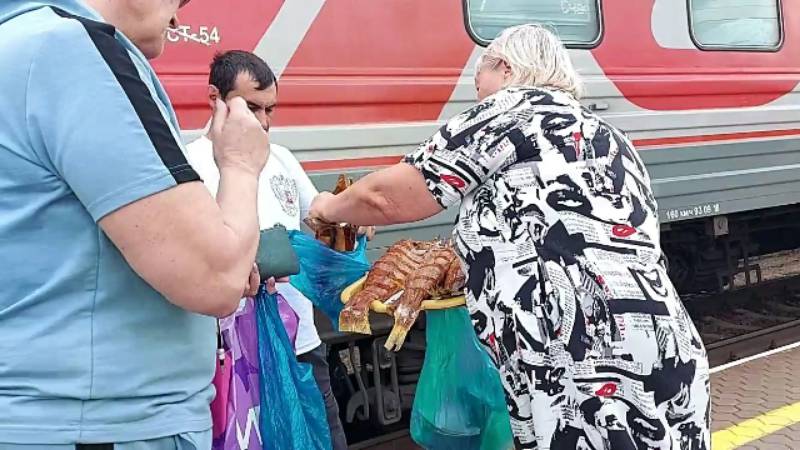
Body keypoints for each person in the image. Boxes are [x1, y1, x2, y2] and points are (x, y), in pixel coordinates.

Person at [308, 24, 711, 449]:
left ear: (504, 67)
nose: (477, 92)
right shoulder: (608, 136)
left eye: (478, 78)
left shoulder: (508, 111)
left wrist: (327, 207)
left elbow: (387, 197)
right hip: (666, 343)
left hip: (578, 355)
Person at [0, 0, 268, 448]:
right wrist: (241, 163)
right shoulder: (71, 49)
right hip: (100, 424)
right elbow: (215, 279)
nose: (179, 17)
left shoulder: (15, 41)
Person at [186, 50, 367, 450]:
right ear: (214, 98)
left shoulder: (280, 157)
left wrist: (352, 214)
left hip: (300, 338)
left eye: (270, 109)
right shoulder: (189, 164)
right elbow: (193, 257)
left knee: (323, 434)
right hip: (235, 351)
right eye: (252, 107)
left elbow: (316, 214)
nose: (264, 121)